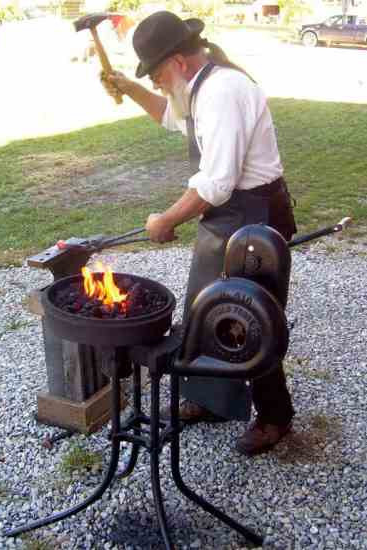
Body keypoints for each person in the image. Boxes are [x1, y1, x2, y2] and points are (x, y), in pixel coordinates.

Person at [101, 11, 297, 456]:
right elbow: (170, 117)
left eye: (154, 72)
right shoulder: (198, 85)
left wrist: (166, 219)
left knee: (248, 317)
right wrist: (129, 89)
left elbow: (216, 183)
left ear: (178, 61)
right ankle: (212, 399)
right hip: (231, 213)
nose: (153, 81)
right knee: (203, 308)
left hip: (255, 215)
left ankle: (275, 416)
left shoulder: (223, 92)